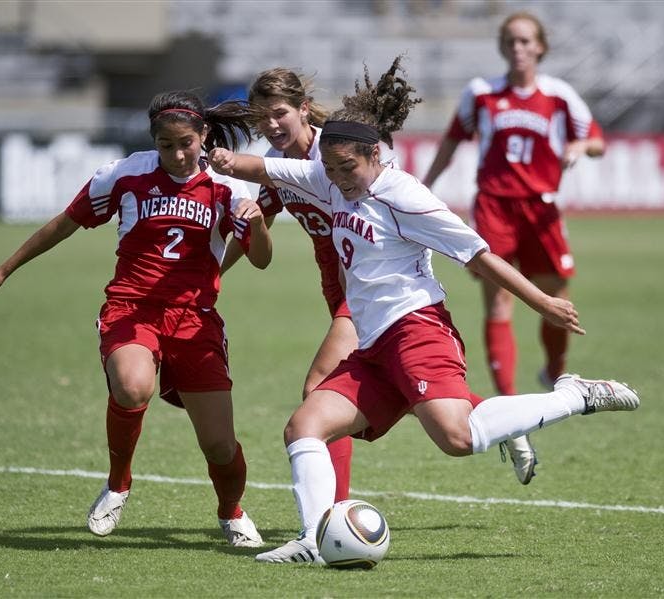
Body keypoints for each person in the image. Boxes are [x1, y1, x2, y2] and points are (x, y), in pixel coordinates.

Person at [209, 56, 638, 564]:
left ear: (374, 155)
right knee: (305, 425)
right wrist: (214, 156)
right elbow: (256, 166)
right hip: (371, 343)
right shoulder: (323, 173)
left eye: (349, 169)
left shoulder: (405, 195)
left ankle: (574, 396)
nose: (341, 180)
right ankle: (316, 538)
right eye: (332, 170)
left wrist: (543, 302)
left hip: (415, 326)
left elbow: (480, 256)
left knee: (456, 438)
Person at [0, 90, 273, 548]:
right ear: (154, 140)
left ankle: (231, 513)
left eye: (186, 143)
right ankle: (117, 484)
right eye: (166, 144)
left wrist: (256, 224)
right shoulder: (125, 174)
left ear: (204, 136)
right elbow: (65, 222)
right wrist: (4, 269)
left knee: (219, 445)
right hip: (131, 308)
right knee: (133, 387)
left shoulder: (228, 187)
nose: (177, 153)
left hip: (195, 320)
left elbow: (263, 261)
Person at [421, 12, 607, 485]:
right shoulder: (481, 92)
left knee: (554, 299)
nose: (518, 48)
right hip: (494, 208)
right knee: (499, 299)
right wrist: (425, 187)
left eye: (525, 41)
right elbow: (452, 140)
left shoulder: (560, 95)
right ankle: (509, 405)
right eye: (510, 41)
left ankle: (556, 369)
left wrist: (581, 150)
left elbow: (597, 139)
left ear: (540, 47)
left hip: (541, 210)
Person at [219, 68, 356, 502]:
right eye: (261, 118)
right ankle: (489, 419)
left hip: (368, 281)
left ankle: (335, 512)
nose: (271, 125)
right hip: (335, 285)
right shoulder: (278, 168)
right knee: (395, 383)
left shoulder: (335, 151)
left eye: (279, 113)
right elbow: (255, 229)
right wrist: (212, 274)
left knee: (322, 391)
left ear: (302, 109)